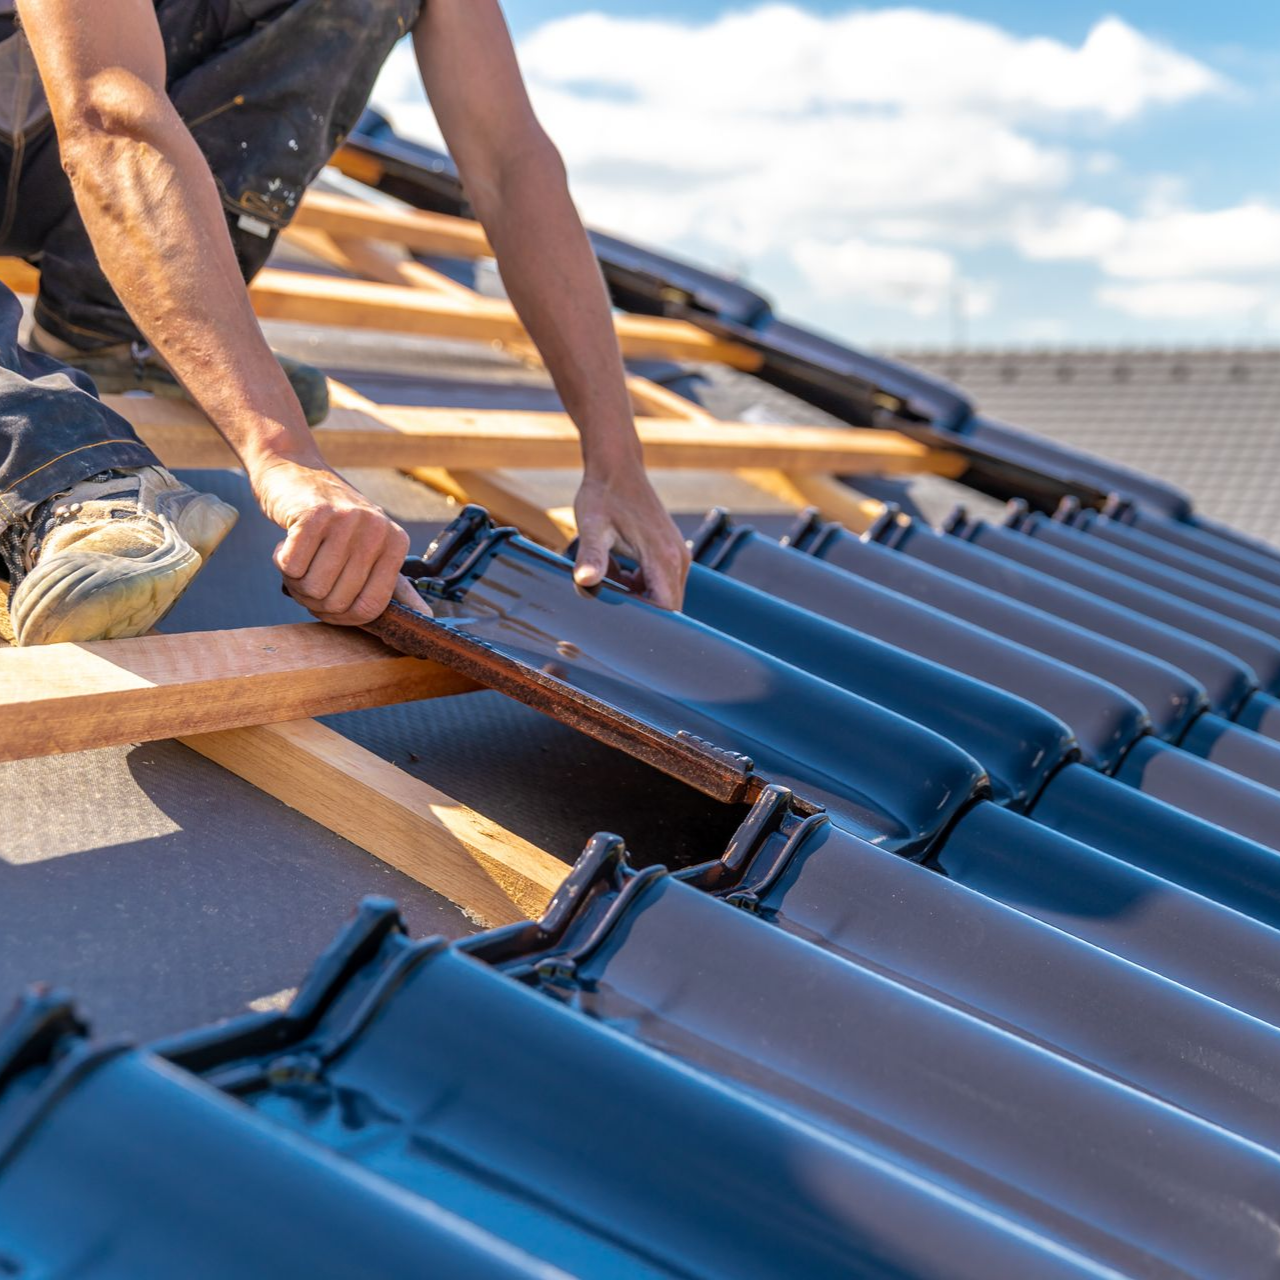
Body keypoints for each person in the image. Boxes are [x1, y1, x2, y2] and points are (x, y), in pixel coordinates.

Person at [0, 0, 689, 644]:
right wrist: (283, 452)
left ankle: (121, 327)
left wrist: (616, 459)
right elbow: (107, 114)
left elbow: (513, 167)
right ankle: (63, 473)